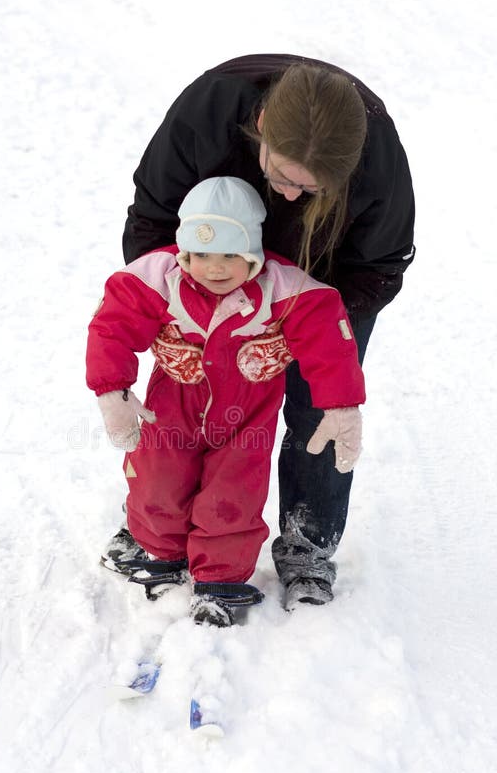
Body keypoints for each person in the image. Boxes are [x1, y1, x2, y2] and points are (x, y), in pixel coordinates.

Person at [102, 53, 415, 608]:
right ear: (263, 127)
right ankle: (161, 533)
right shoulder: (208, 111)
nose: (292, 197)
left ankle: (306, 544)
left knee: (319, 411)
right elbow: (150, 218)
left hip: (317, 288)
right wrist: (173, 305)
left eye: (312, 189)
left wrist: (306, 329)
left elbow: (379, 268)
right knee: (185, 402)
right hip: (211, 275)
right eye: (282, 178)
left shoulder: (377, 158)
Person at [87, 176, 365, 626]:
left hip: (246, 413)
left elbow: (327, 333)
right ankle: (159, 549)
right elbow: (111, 324)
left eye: (230, 256)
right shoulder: (160, 279)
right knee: (158, 475)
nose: (214, 269)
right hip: (173, 401)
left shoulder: (283, 288)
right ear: (184, 254)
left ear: (253, 255)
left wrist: (342, 404)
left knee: (234, 489)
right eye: (201, 256)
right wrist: (111, 388)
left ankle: (221, 576)